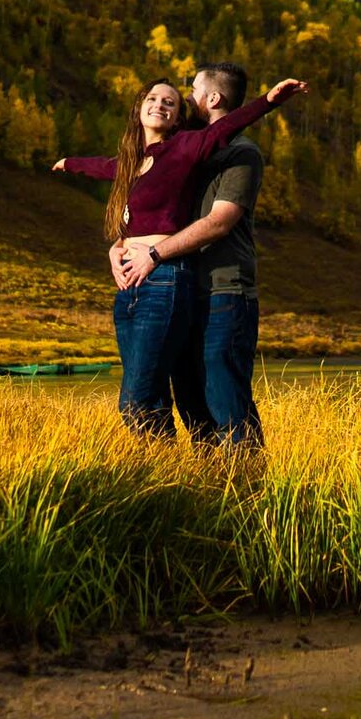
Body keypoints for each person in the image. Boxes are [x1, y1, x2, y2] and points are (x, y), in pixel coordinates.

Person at [54, 74, 307, 434]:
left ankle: (186, 472)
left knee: (137, 398)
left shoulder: (185, 147)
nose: (162, 104)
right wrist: (69, 163)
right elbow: (102, 166)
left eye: (172, 101)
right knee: (157, 393)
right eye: (153, 99)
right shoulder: (131, 162)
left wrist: (270, 100)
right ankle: (172, 478)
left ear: (177, 118)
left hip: (165, 278)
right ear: (139, 109)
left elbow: (228, 127)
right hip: (129, 284)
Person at [112, 63, 266, 448]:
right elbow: (149, 208)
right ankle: (203, 490)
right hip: (182, 290)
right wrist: (119, 247)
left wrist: (153, 254)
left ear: (212, 99)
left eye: (192, 90)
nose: (185, 98)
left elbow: (219, 222)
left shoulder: (241, 153)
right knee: (191, 404)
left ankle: (248, 490)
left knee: (225, 400)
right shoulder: (182, 151)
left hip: (223, 291)